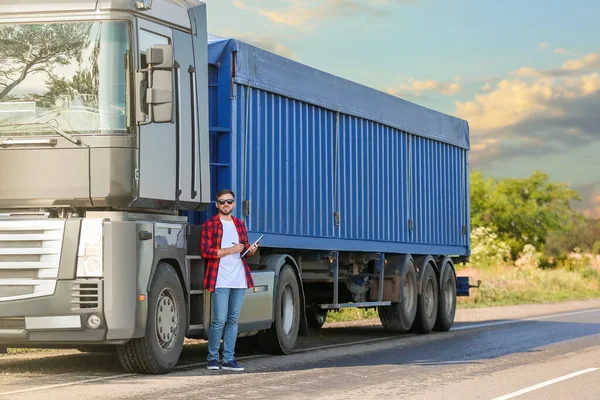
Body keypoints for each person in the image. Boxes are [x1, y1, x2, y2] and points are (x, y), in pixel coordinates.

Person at [200, 189, 259, 371]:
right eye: (222, 201)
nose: (226, 204)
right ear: (217, 204)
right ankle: (212, 359)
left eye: (229, 201)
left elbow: (244, 252)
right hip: (220, 279)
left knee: (233, 320)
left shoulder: (239, 225)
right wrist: (228, 251)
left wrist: (251, 250)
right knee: (219, 319)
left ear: (234, 204)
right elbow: (205, 252)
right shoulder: (210, 225)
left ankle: (228, 359)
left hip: (239, 279)